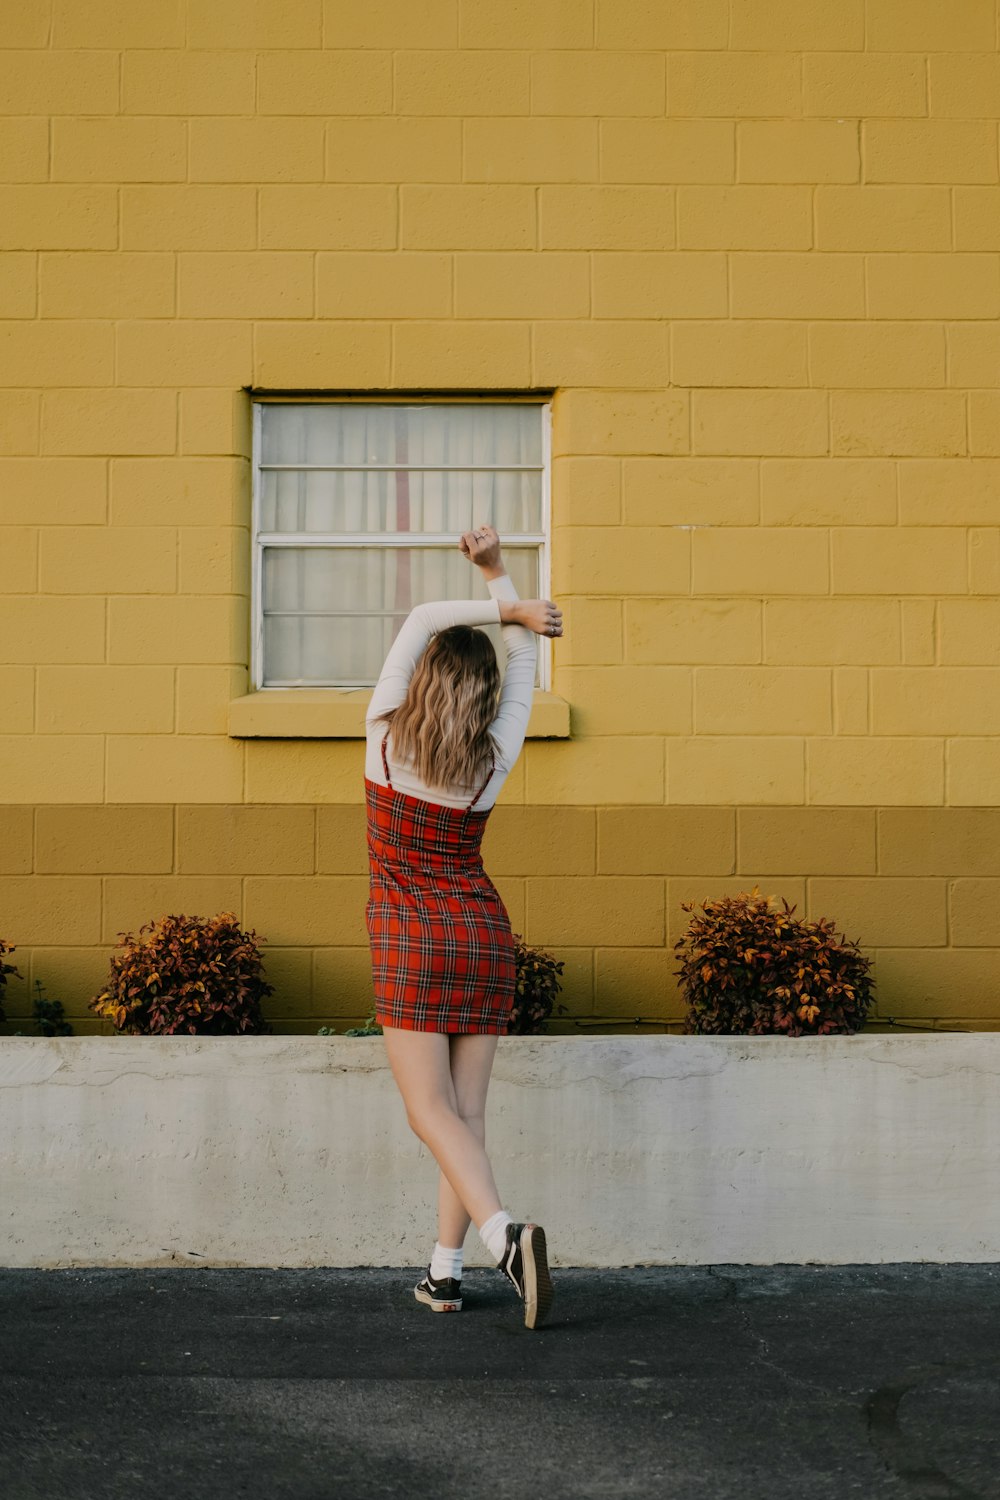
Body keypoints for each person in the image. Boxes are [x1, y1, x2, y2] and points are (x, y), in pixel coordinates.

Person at [363, 522, 563, 1330]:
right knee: (465, 1119)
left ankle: (503, 1236)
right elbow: (525, 668)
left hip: (410, 933)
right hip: (480, 931)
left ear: (423, 682)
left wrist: (497, 599)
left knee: (428, 1113)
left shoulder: (381, 737)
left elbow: (417, 622)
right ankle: (444, 1277)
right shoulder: (493, 757)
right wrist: (506, 592)